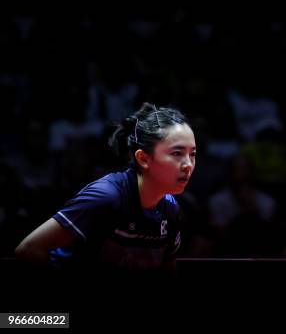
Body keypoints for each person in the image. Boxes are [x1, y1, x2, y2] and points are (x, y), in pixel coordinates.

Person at [15, 102, 196, 276]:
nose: (188, 164)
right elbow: (29, 249)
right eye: (177, 153)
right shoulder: (107, 197)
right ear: (144, 159)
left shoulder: (170, 209)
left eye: (192, 154)